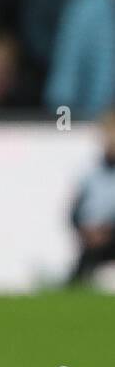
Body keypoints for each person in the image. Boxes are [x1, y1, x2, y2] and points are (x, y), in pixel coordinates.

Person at [67, 108, 115, 286]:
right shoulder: (90, 173)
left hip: (110, 235)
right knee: (85, 261)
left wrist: (107, 231)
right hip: (92, 238)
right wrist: (85, 230)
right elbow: (74, 211)